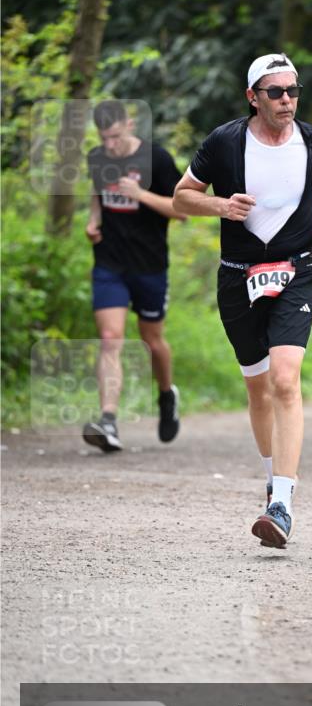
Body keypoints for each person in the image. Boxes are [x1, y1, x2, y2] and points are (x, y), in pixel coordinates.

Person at [172, 53, 312, 549]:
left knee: (286, 381)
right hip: (238, 277)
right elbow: (182, 196)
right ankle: (274, 475)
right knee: (258, 389)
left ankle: (282, 504)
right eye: (276, 92)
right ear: (253, 96)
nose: (287, 100)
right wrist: (221, 206)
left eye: (293, 91)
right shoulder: (225, 142)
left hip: (297, 272)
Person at [83, 100, 184, 453]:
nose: (109, 145)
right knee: (111, 338)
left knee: (152, 341)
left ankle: (166, 394)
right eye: (103, 137)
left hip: (150, 265)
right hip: (110, 262)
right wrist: (93, 221)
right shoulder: (97, 158)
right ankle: (108, 421)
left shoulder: (157, 159)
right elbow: (97, 197)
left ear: (129, 124)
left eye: (114, 136)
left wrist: (141, 195)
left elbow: (182, 210)